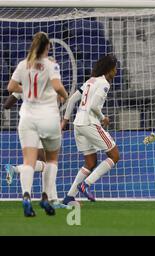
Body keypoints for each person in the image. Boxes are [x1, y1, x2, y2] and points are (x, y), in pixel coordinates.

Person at [7, 32, 68, 217]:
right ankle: (46, 197)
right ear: (47, 47)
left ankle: (26, 197)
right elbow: (57, 86)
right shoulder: (51, 65)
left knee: (29, 161)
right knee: (51, 159)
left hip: (27, 118)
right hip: (48, 117)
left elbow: (10, 87)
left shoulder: (23, 64)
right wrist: (65, 96)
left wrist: (25, 90)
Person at [61, 54, 119, 204]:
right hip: (90, 123)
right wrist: (103, 118)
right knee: (114, 156)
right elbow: (93, 106)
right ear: (109, 69)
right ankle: (85, 185)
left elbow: (72, 99)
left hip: (78, 125)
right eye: (115, 68)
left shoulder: (90, 81)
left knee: (90, 162)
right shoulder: (104, 83)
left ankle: (68, 197)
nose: (116, 71)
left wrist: (65, 120)